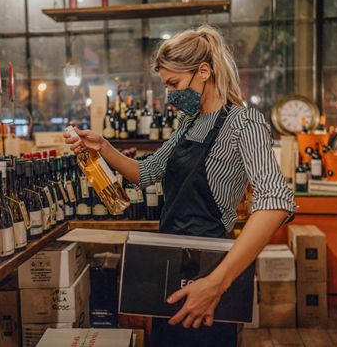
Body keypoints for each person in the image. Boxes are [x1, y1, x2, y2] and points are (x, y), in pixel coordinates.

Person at [64, 25, 296, 347]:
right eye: (165, 86)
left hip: (210, 272)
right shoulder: (189, 124)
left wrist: (216, 284)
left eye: (173, 84)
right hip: (171, 268)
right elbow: (145, 173)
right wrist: (103, 146)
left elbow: (276, 200)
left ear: (204, 72)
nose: (170, 95)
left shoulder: (244, 123)